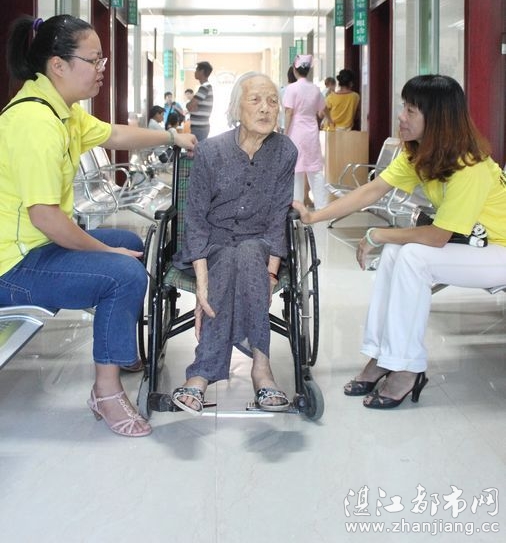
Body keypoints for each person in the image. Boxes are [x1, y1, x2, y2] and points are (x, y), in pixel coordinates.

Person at [0, 14, 196, 437]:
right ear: (58, 65)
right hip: (12, 267)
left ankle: (116, 345)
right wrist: (106, 253)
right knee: (123, 271)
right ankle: (105, 393)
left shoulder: (62, 112)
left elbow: (115, 136)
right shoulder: (35, 124)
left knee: (128, 241)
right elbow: (45, 217)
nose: (101, 69)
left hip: (35, 247)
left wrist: (172, 137)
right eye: (94, 60)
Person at [294, 74, 506, 410]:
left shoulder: (470, 167)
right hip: (477, 247)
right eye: (403, 107)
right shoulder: (422, 154)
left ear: (437, 118)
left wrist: (376, 234)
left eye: (410, 110)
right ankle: (383, 356)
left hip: (500, 250)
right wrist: (314, 216)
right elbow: (372, 190)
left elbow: (437, 237)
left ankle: (407, 368)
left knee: (413, 257)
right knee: (396, 252)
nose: (401, 116)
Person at [170, 72, 298, 414]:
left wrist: (271, 274)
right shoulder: (211, 151)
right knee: (229, 258)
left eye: (272, 101)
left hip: (259, 245)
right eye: (255, 100)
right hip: (212, 247)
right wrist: (202, 283)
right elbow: (196, 218)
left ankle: (201, 375)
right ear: (236, 108)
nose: (265, 108)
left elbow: (278, 217)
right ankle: (262, 370)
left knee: (247, 253)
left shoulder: (285, 151)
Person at [283, 54, 327, 208]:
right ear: (308, 71)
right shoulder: (315, 89)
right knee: (315, 169)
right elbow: (322, 110)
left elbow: (289, 112)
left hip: (296, 130)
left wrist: (285, 134)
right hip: (311, 131)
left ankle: (298, 206)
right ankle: (322, 207)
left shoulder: (291, 88)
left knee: (296, 170)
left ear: (295, 70)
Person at [187, 61, 213, 141]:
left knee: (196, 149)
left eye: (196, 70)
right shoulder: (205, 87)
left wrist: (189, 104)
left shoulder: (204, 87)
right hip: (200, 127)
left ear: (201, 71)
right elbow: (192, 106)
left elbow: (190, 106)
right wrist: (191, 105)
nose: (195, 72)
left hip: (199, 128)